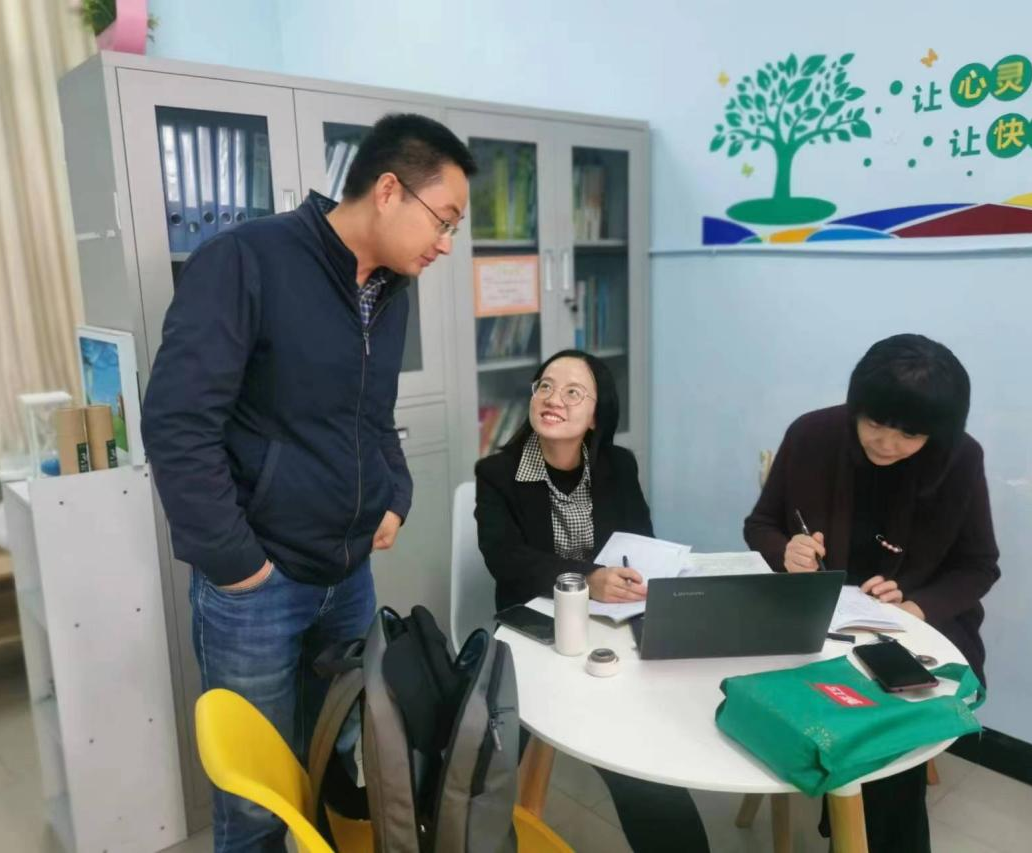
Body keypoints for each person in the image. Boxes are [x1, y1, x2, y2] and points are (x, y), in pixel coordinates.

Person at [142, 114, 476, 852]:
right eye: (444, 219)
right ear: (388, 191)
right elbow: (177, 423)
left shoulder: (390, 288)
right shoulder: (246, 260)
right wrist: (237, 564)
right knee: (256, 803)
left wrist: (394, 493)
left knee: (338, 765)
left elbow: (371, 415)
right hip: (260, 583)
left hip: (347, 575)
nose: (447, 243)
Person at [744, 333, 1000, 853]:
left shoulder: (960, 459)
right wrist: (787, 551)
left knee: (886, 719)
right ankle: (849, 822)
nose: (886, 443)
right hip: (814, 617)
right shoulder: (812, 434)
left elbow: (978, 566)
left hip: (919, 628)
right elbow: (760, 524)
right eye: (875, 422)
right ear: (857, 405)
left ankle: (855, 829)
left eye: (909, 434)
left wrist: (915, 607)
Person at [475, 350, 710, 853]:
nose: (553, 399)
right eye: (544, 386)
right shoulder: (497, 473)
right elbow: (506, 559)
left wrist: (630, 579)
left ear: (596, 416)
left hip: (612, 625)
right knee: (486, 764)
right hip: (534, 628)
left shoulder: (617, 465)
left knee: (638, 747)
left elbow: (641, 538)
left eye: (572, 392)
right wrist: (589, 579)